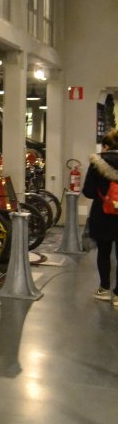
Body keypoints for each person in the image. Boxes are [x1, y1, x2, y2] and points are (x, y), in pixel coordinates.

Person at [83, 127, 118, 307]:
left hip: (102, 214)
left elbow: (88, 191)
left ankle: (104, 289)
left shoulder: (97, 162)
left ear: (106, 145)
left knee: (104, 252)